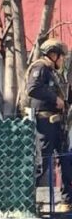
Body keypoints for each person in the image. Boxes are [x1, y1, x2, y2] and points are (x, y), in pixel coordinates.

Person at [25, 38, 70, 209]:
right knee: (42, 162)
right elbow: (32, 88)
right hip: (45, 122)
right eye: (61, 56)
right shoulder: (41, 67)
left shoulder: (54, 72)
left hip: (59, 123)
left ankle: (66, 201)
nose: (63, 60)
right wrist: (54, 98)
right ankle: (28, 200)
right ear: (53, 54)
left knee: (65, 160)